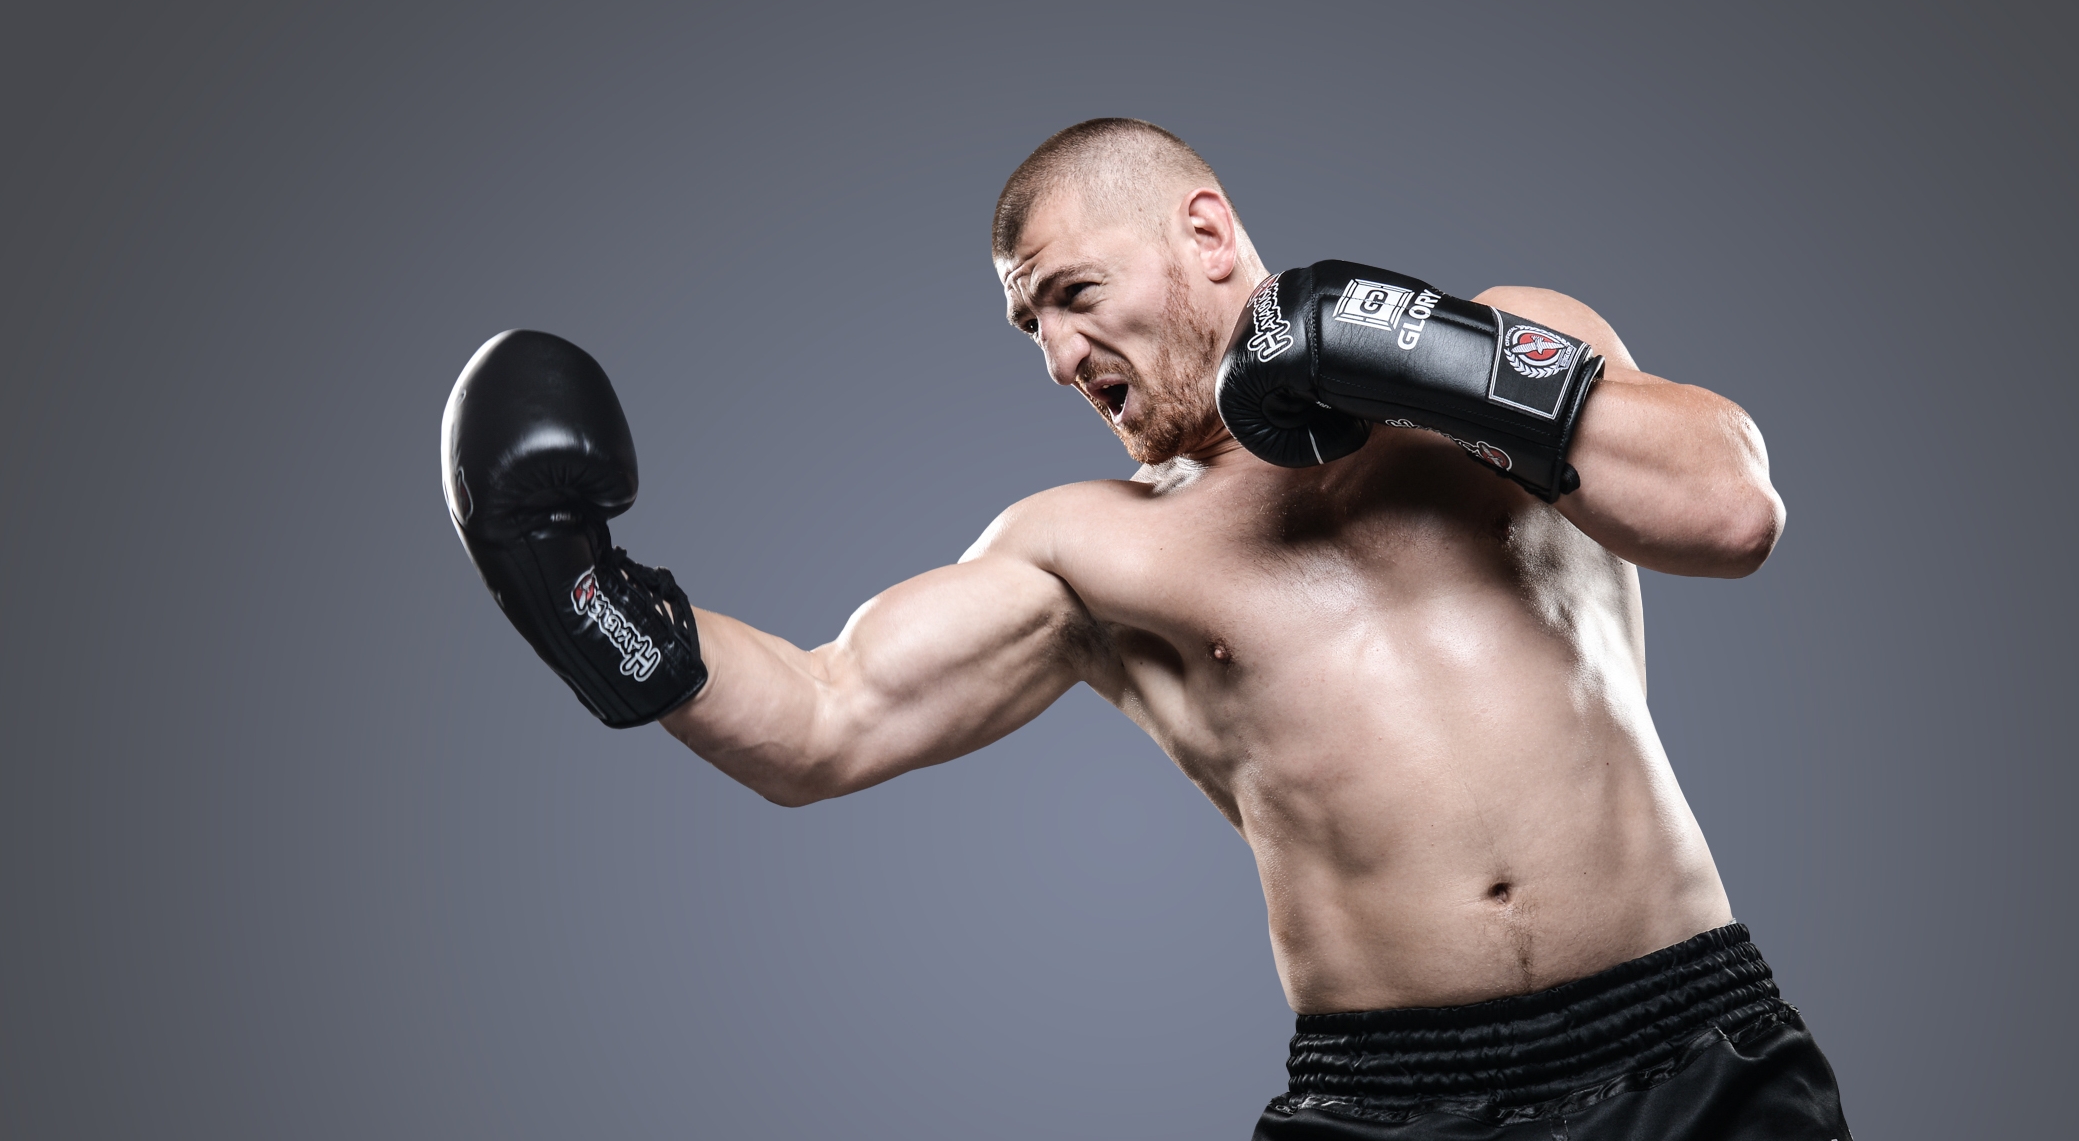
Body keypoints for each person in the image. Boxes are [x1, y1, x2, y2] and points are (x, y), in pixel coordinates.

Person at [441, 118, 1851, 1139]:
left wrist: (1412, 353)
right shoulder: (1091, 548)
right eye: (1030, 331)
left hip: (1690, 1049)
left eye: (1072, 296)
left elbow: (1731, 510)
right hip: (1389, 1102)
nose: (1060, 358)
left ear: (1206, 235)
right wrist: (582, 597)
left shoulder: (1504, 338)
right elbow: (826, 716)